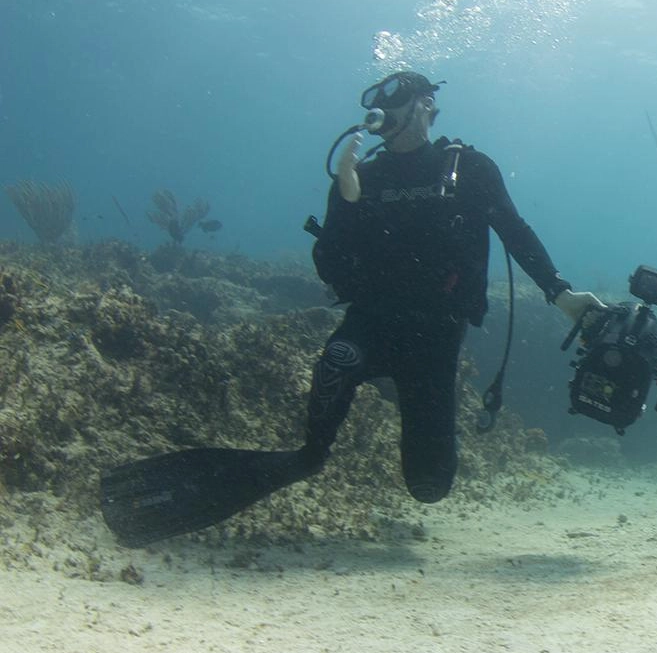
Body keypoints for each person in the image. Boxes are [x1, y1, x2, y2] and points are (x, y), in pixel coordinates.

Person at [98, 71, 601, 546]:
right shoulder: (362, 175)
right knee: (337, 364)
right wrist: (347, 201)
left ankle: (411, 427)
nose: (385, 114)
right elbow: (331, 268)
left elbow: (515, 232)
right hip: (372, 321)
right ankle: (303, 459)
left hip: (436, 333)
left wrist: (559, 292)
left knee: (429, 486)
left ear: (426, 106)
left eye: (397, 103)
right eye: (379, 108)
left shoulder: (468, 169)